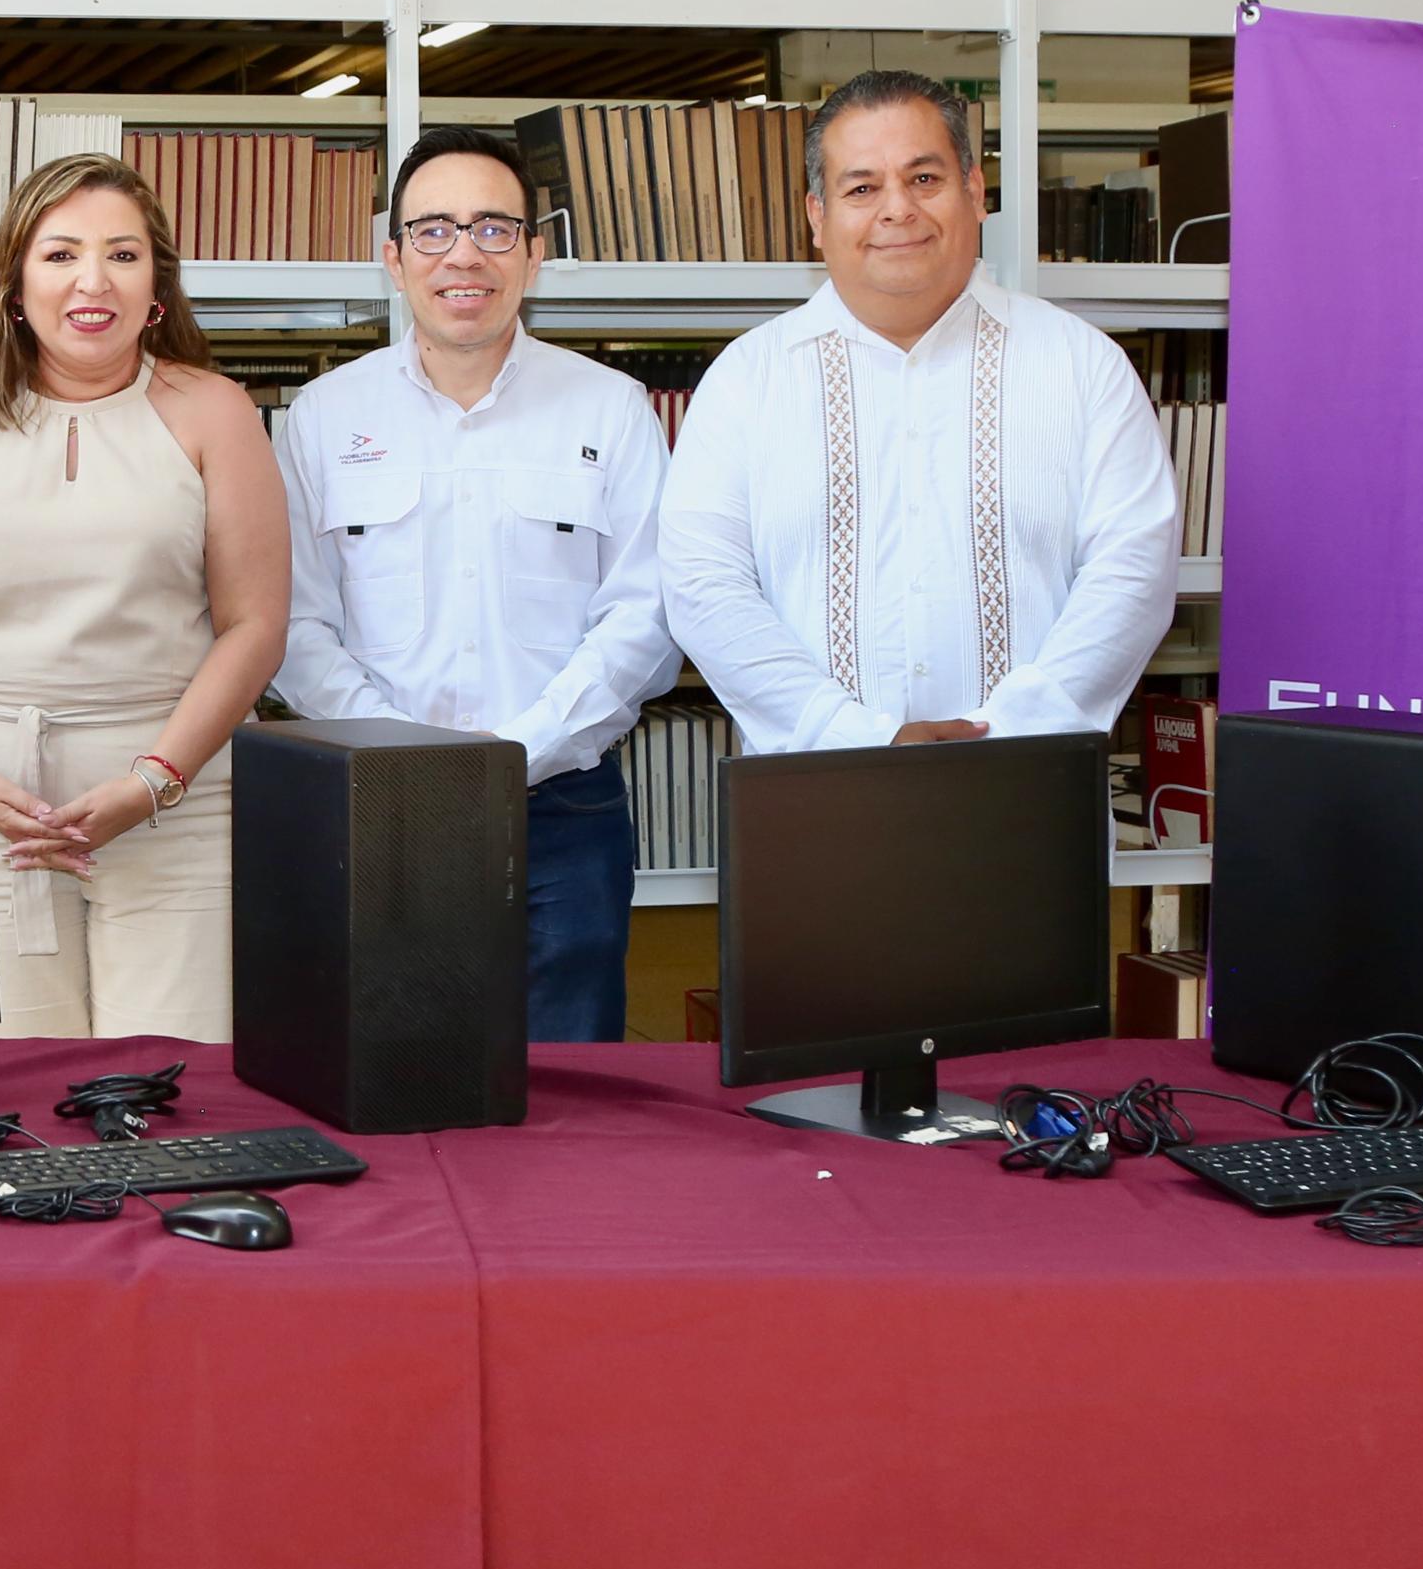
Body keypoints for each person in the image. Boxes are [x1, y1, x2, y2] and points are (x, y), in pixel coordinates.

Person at [0, 156, 290, 1042]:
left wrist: (153, 780)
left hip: (178, 805)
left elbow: (254, 626)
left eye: (122, 255)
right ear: (16, 285)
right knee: (1, 1098)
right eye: (61, 254)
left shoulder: (215, 412)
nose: (92, 281)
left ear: (157, 288)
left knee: (175, 1095)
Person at [274, 126, 677, 1042]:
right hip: (378, 812)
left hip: (562, 812)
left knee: (569, 1094)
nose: (465, 254)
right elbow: (295, 621)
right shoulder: (326, 417)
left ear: (536, 254)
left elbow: (646, 615)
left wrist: (513, 756)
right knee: (387, 1072)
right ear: (392, 255)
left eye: (496, 229)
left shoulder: (610, 408)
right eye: (434, 230)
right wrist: (406, 764)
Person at [665, 70, 1179, 755]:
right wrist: (855, 738)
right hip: (815, 795)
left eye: (925, 179)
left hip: (1031, 796)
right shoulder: (745, 383)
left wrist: (1003, 741)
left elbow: (1132, 575)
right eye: (861, 187)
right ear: (818, 216)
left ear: (974, 191)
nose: (897, 209)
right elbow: (705, 589)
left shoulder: (1082, 367)